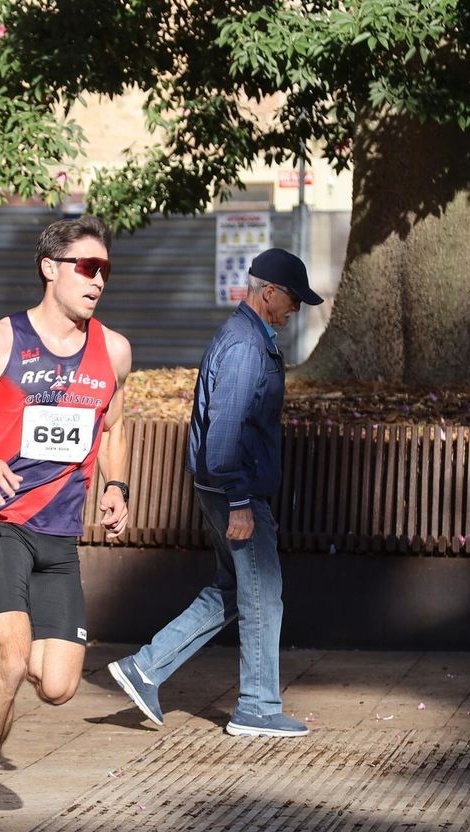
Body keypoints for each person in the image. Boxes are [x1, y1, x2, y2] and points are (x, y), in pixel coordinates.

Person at [0, 215, 132, 832]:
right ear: (51, 268)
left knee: (60, 687)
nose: (98, 281)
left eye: (106, 271)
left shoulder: (113, 352)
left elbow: (114, 427)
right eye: (86, 268)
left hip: (60, 535)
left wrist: (115, 489)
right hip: (1, 525)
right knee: (9, 665)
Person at [107, 247, 320, 738]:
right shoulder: (247, 347)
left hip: (221, 488)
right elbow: (226, 430)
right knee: (263, 594)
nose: (296, 310)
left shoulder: (243, 336)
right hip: (235, 491)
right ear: (269, 293)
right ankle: (258, 707)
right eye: (293, 300)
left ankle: (146, 667)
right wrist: (242, 501)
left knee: (230, 591)